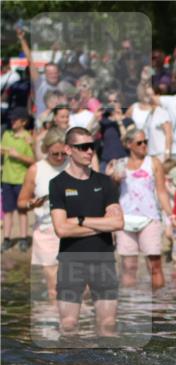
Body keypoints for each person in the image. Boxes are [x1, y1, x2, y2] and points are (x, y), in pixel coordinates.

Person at [49, 127, 125, 337]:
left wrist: (81, 221)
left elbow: (118, 222)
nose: (89, 151)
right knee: (69, 324)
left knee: (108, 324)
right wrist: (101, 224)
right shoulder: (57, 184)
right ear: (68, 149)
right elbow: (62, 229)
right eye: (83, 147)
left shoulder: (105, 182)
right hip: (71, 260)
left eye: (91, 146)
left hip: (103, 260)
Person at [107, 128, 172, 290]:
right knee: (128, 267)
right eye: (139, 142)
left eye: (146, 142)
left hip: (150, 218)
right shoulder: (120, 164)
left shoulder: (154, 162)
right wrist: (111, 178)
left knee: (155, 265)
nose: (144, 145)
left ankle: (157, 307)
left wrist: (172, 216)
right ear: (129, 145)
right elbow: (110, 193)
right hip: (125, 220)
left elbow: (162, 192)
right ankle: (130, 308)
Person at [17, 128, 67, 299]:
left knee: (77, 287)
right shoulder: (36, 170)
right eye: (55, 154)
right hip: (46, 231)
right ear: (46, 150)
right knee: (54, 286)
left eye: (63, 153)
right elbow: (21, 202)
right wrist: (32, 203)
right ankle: (54, 324)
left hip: (72, 231)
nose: (60, 158)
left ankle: (75, 324)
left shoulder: (75, 166)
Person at [1, 108, 34, 251]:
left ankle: (23, 238)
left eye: (15, 119)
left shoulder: (28, 138)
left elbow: (33, 160)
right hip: (7, 179)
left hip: (21, 181)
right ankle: (6, 239)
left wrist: (18, 156)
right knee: (8, 211)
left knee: (22, 211)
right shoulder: (7, 134)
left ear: (24, 122)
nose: (12, 121)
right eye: (11, 119)